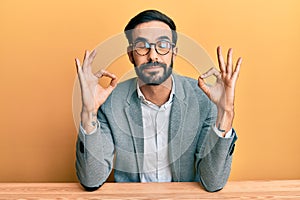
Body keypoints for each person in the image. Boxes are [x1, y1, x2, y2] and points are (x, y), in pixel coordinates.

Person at [75, 9, 242, 192]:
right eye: (142, 46)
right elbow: (91, 179)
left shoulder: (202, 98)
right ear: (131, 55)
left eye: (162, 45)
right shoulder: (111, 101)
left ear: (174, 52)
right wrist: (88, 111)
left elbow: (213, 182)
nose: (153, 55)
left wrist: (226, 112)